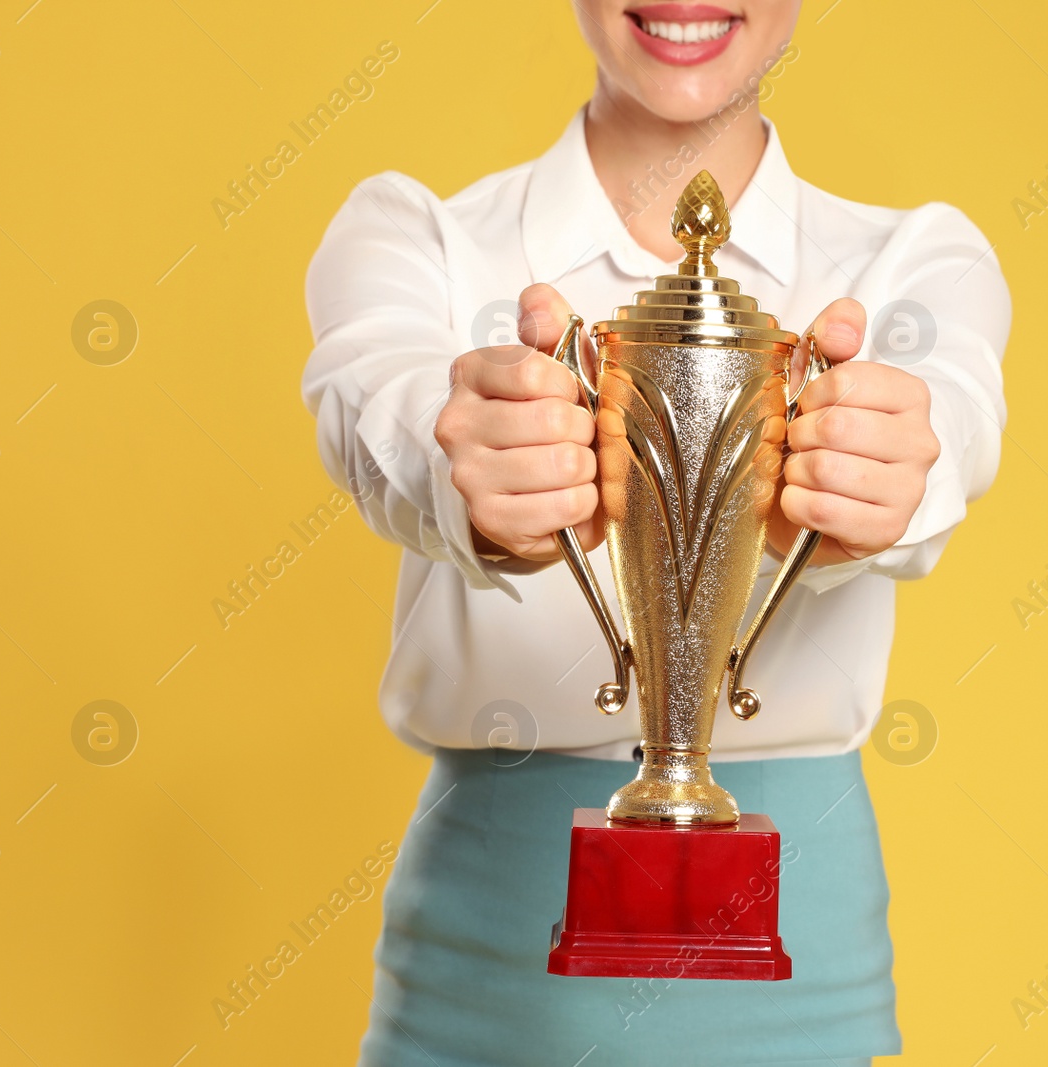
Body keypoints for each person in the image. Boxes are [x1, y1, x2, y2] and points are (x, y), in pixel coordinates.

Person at [302, 2, 1010, 1063]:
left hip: (795, 977)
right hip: (479, 976)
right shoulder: (418, 237)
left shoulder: (915, 260)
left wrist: (884, 480)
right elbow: (379, 416)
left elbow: (952, 422)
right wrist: (475, 475)